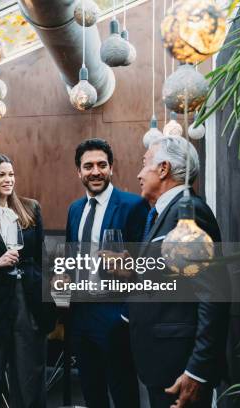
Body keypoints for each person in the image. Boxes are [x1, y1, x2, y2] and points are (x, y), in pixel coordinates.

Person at [130, 136, 229, 408]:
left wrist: (197, 370)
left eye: (144, 164)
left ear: (163, 169)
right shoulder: (163, 213)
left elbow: (214, 295)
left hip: (180, 366)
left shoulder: (190, 212)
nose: (139, 174)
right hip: (161, 361)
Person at [0, 153, 57, 408]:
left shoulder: (31, 209)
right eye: (1, 175)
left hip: (28, 303)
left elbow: (41, 259)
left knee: (29, 382)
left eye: (11, 174)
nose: (8, 180)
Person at [65, 139, 148, 408]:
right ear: (79, 172)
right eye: (88, 166)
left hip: (116, 316)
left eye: (102, 165)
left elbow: (146, 267)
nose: (95, 171)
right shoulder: (75, 209)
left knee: (123, 392)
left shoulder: (133, 206)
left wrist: (125, 315)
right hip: (81, 315)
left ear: (111, 168)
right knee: (91, 391)